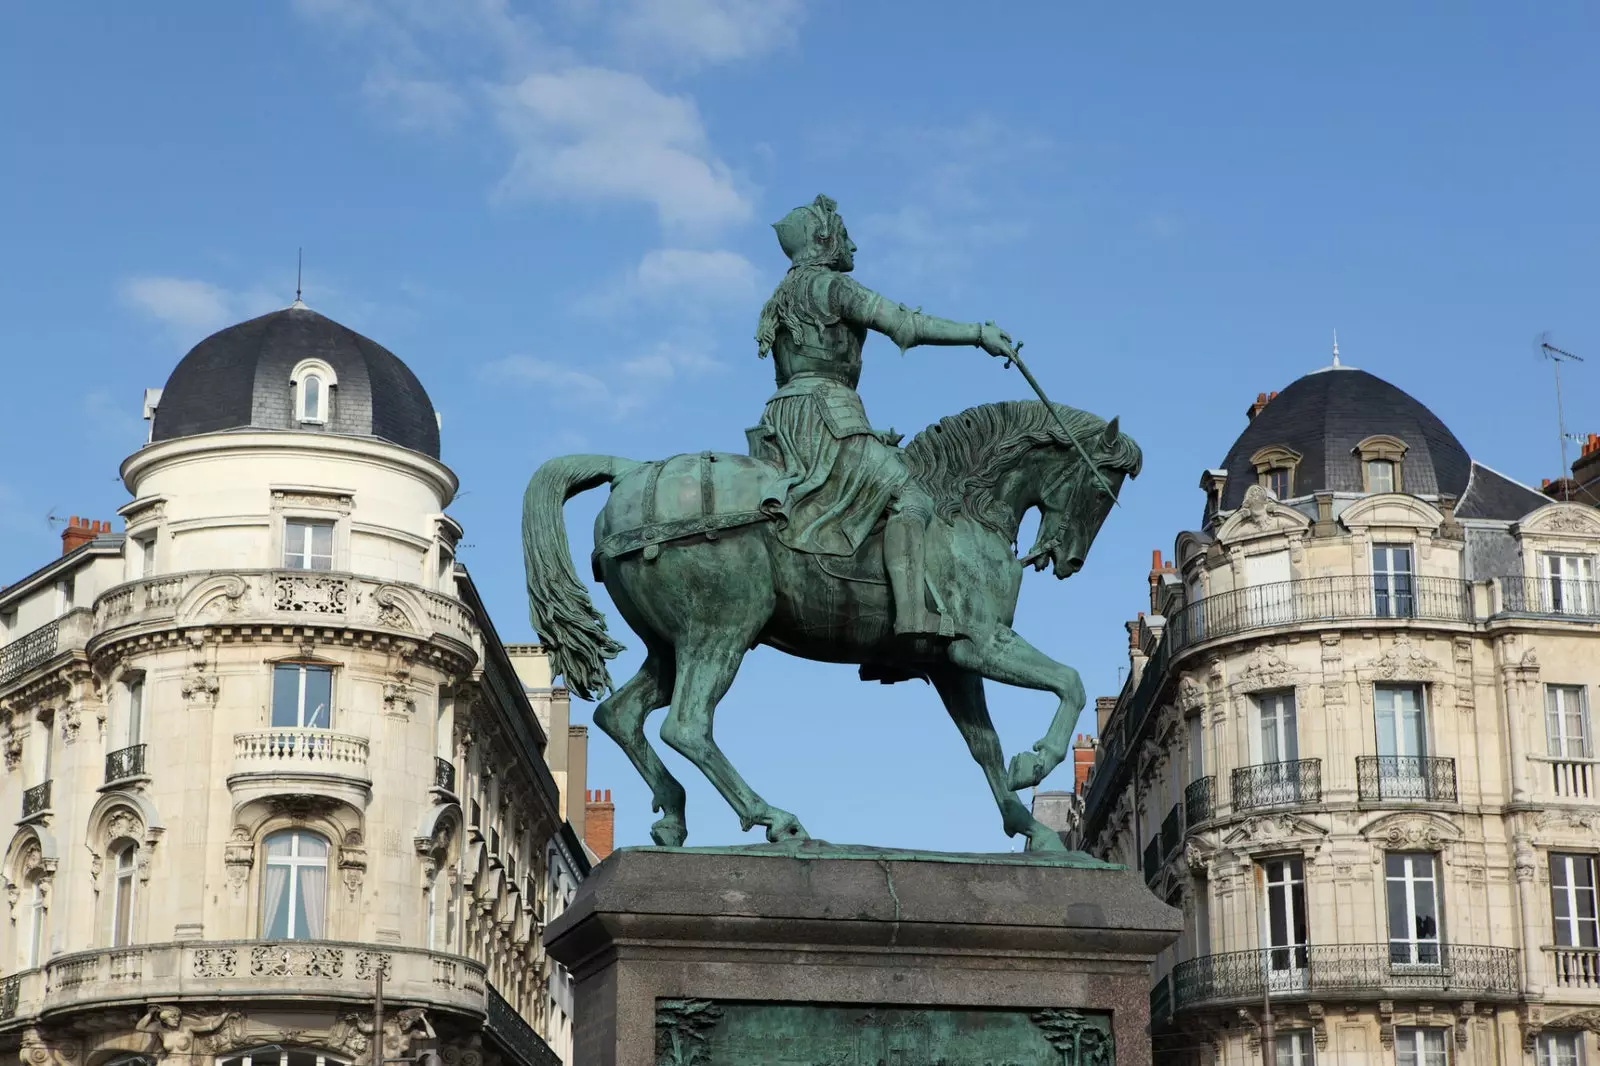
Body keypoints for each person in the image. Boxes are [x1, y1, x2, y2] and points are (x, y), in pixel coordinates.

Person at [754, 194, 1018, 637]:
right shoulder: (833, 287)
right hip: (828, 415)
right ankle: (913, 614)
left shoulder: (782, 295)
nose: (852, 246)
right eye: (844, 236)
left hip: (784, 419)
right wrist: (977, 334)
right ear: (824, 241)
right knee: (911, 499)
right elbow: (903, 324)